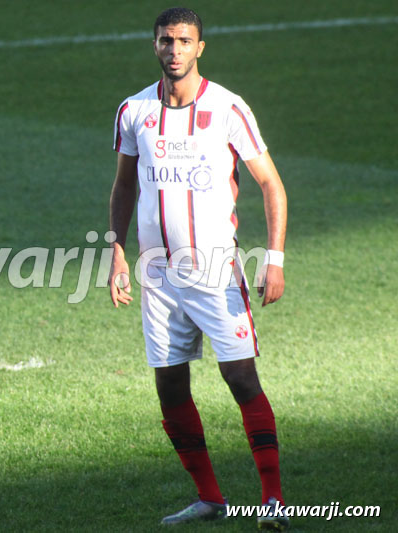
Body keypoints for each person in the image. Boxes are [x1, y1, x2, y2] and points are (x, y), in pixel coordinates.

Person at [108, 7, 289, 530]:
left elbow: (271, 185)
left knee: (240, 378)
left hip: (214, 270)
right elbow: (124, 185)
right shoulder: (134, 110)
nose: (174, 50)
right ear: (155, 45)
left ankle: (273, 500)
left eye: (184, 41)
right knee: (169, 388)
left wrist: (273, 259)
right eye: (166, 41)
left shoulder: (228, 108)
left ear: (200, 48)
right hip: (158, 277)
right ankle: (210, 497)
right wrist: (115, 249)